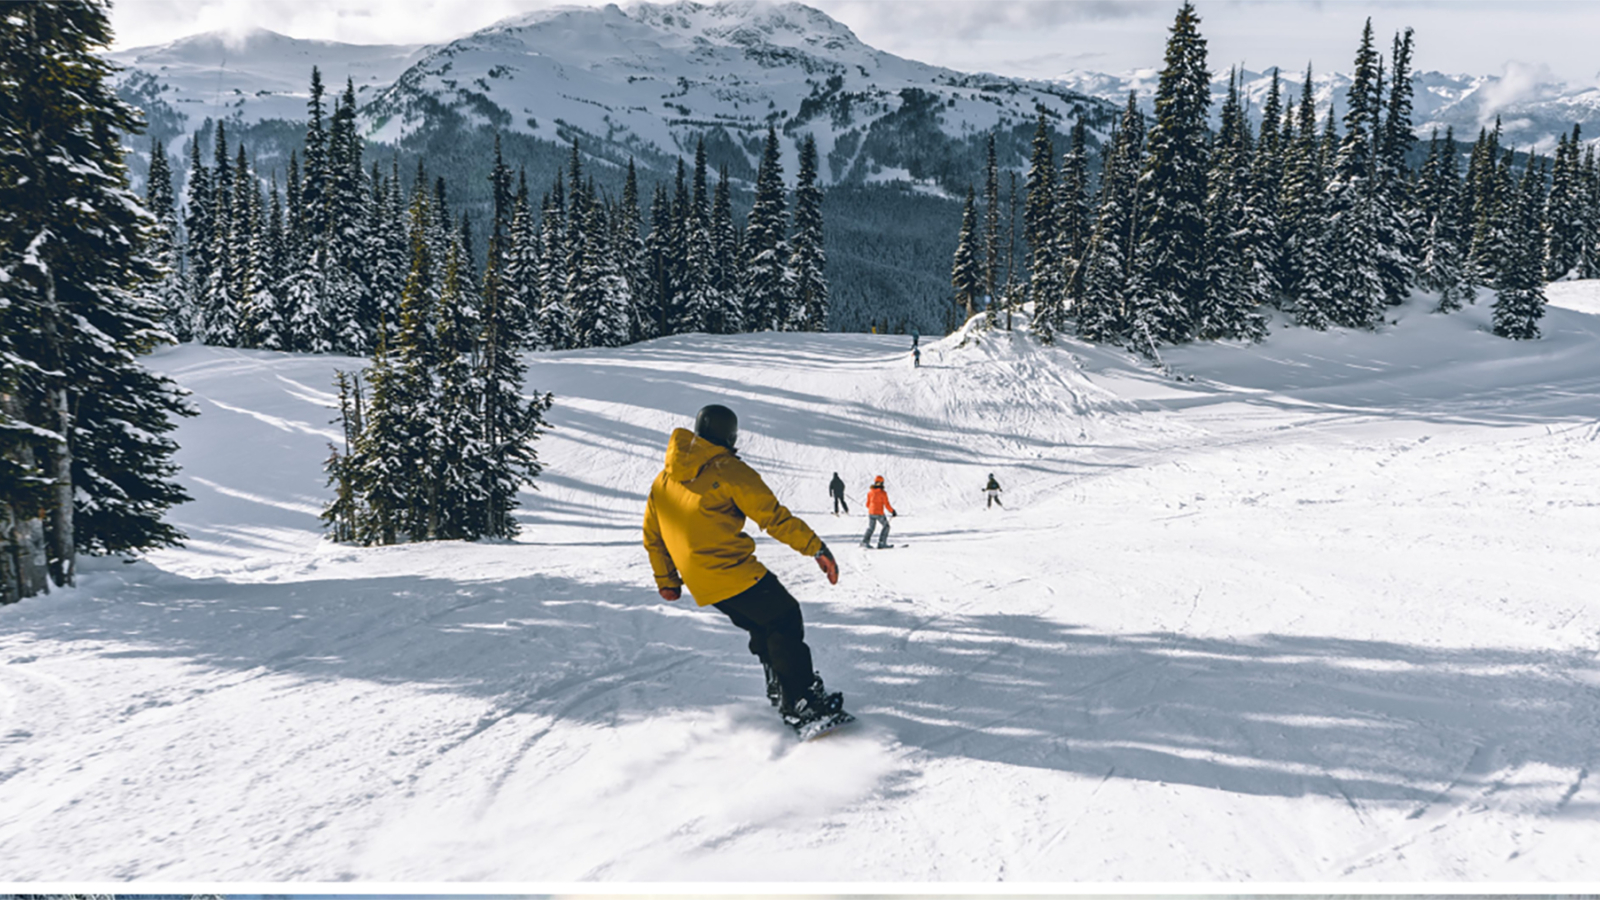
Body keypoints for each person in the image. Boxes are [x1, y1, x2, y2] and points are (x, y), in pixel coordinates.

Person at [642, 404, 843, 729]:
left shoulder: (664, 478)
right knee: (784, 616)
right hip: (729, 569)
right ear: (730, 435)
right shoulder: (729, 470)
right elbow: (774, 518)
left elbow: (653, 534)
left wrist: (668, 581)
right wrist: (816, 548)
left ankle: (780, 688)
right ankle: (801, 701)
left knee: (763, 622)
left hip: (703, 583)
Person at [862, 475, 896, 548]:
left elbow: (867, 504)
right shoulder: (883, 493)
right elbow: (886, 504)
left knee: (871, 528)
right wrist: (892, 511)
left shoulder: (870, 492)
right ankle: (882, 542)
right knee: (886, 526)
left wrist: (872, 508)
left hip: (871, 513)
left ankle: (864, 542)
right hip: (879, 513)